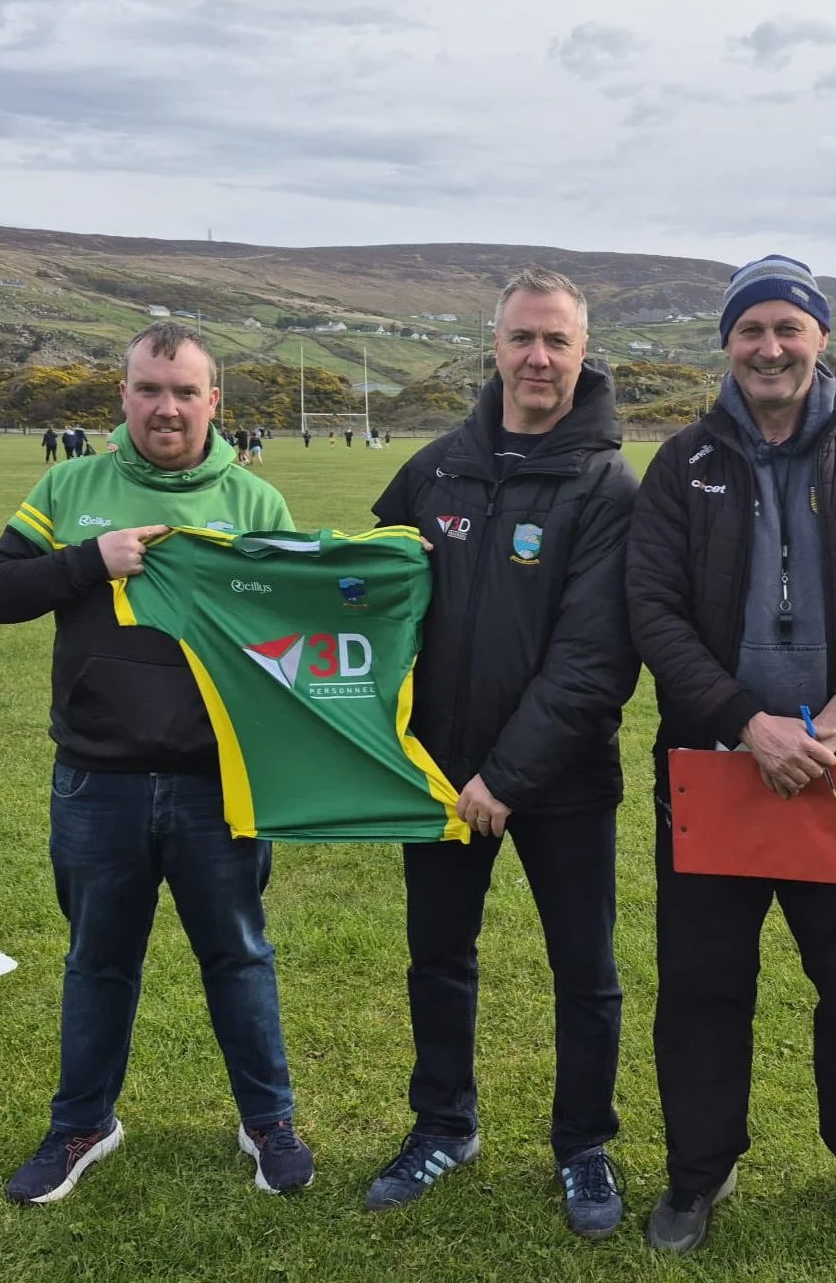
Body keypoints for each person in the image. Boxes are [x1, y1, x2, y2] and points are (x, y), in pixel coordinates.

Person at [626, 254, 836, 1264]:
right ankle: (698, 1172)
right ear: (726, 343)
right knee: (701, 988)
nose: (769, 347)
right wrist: (740, 722)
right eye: (751, 329)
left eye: (787, 328)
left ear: (819, 339)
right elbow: (651, 609)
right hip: (711, 774)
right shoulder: (681, 462)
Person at [0, 322, 314, 1207]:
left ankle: (267, 1120)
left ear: (215, 403)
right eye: (149, 389)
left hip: (217, 782)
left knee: (238, 954)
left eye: (184, 391)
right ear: (122, 395)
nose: (166, 407)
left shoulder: (254, 503)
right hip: (98, 778)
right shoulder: (71, 483)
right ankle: (82, 1124)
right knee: (98, 959)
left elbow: (298, 640)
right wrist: (88, 559)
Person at [366, 267, 641, 1238]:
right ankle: (443, 1125)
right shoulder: (434, 469)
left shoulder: (607, 484)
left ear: (581, 352)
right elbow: (368, 604)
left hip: (560, 782)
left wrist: (507, 777)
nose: (538, 357)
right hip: (437, 781)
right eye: (522, 338)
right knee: (437, 958)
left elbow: (594, 657)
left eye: (556, 341)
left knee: (586, 971)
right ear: (494, 345)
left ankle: (582, 1147)